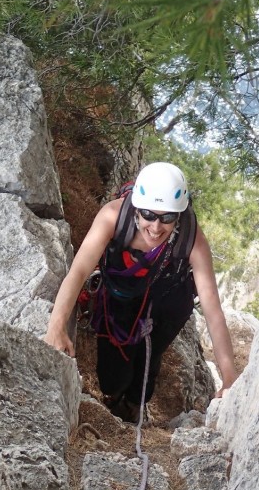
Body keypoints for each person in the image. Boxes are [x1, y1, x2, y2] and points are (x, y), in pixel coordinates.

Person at [44, 162, 238, 423]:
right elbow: (78, 272)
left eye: (167, 217)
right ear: (136, 207)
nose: (156, 227)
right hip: (123, 293)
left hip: (168, 297)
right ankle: (115, 398)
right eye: (148, 214)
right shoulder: (113, 217)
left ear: (178, 216)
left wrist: (229, 378)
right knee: (113, 377)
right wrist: (56, 327)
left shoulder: (192, 239)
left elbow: (213, 312)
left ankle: (136, 403)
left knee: (151, 353)